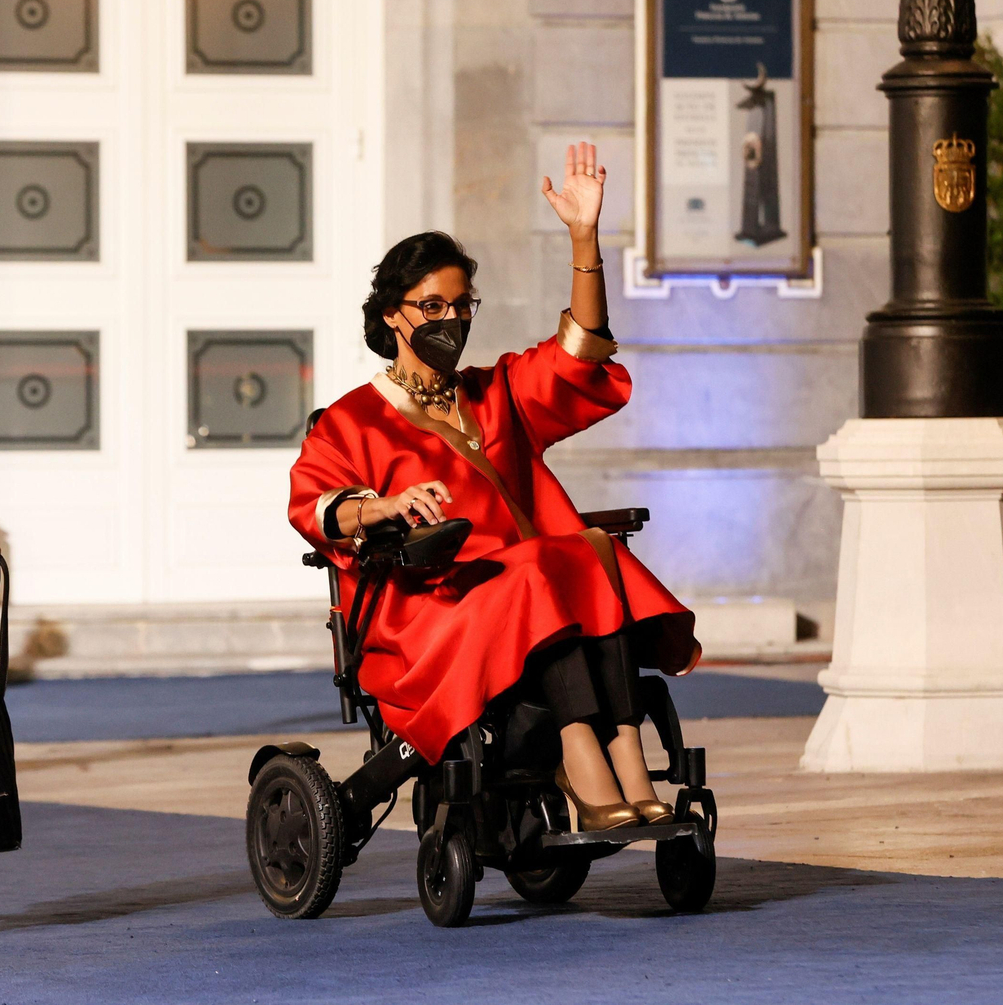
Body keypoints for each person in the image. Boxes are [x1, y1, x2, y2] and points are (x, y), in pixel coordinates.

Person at [288, 142, 700, 830]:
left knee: (588, 545)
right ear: (393, 314)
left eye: (461, 304)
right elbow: (314, 505)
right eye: (431, 306)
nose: (451, 319)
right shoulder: (350, 420)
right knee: (548, 561)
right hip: (434, 613)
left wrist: (584, 239)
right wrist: (382, 505)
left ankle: (625, 747)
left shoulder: (497, 390)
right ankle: (579, 751)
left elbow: (582, 354)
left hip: (533, 597)